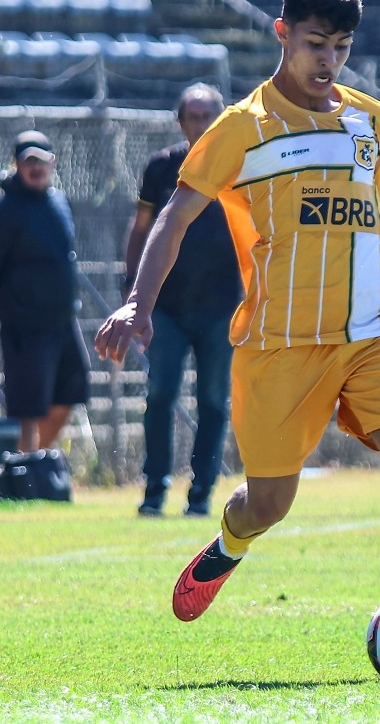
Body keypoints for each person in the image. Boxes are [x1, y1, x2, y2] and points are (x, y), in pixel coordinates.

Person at [94, 0, 380, 670]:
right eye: (314, 43)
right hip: (282, 345)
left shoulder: (375, 122)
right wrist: (137, 303)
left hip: (377, 331)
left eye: (341, 48)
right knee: (270, 503)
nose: (328, 60)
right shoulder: (243, 127)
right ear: (282, 33)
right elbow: (174, 218)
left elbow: (377, 218)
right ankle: (230, 541)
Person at [125, 83, 241, 518]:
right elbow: (142, 229)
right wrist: (134, 294)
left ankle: (202, 494)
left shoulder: (239, 168)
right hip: (168, 307)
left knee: (213, 399)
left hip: (222, 307)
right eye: (194, 115)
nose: (203, 122)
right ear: (181, 122)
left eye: (211, 113)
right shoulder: (161, 168)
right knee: (160, 393)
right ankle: (154, 490)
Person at [0, 131, 90, 453]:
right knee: (28, 405)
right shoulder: (7, 208)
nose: (36, 168)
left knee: (71, 392)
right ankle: (27, 471)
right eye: (29, 162)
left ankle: (33, 461)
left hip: (63, 320)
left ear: (53, 163)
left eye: (42, 161)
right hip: (25, 325)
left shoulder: (58, 200)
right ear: (17, 165)